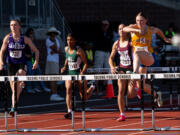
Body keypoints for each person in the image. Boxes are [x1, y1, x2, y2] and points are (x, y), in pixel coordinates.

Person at [123, 12, 171, 106]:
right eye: (137, 20)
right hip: (139, 62)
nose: (139, 22)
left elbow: (158, 30)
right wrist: (136, 31)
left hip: (148, 57)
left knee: (137, 52)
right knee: (141, 86)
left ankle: (134, 73)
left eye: (141, 20)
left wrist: (165, 39)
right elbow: (125, 28)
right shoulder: (134, 27)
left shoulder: (150, 29)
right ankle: (156, 95)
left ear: (146, 20)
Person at [0, 18, 39, 117]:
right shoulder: (7, 38)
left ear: (19, 26)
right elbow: (1, 51)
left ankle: (21, 83)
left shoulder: (25, 39)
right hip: (11, 64)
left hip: (21, 63)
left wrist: (36, 62)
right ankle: (14, 107)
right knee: (14, 89)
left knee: (20, 74)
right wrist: (1, 62)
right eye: (11, 25)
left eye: (15, 25)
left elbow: (36, 51)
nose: (13, 27)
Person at [61, 33, 95, 119]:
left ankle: (92, 88)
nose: (69, 42)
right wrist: (64, 67)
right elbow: (67, 58)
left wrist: (82, 72)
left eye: (71, 40)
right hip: (70, 73)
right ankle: (69, 111)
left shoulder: (79, 50)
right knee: (68, 89)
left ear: (75, 40)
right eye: (67, 40)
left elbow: (86, 63)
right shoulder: (66, 49)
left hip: (78, 73)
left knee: (84, 97)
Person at [109, 24, 136, 121]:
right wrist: (112, 67)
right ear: (118, 31)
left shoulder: (131, 43)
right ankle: (122, 114)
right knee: (120, 90)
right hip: (121, 68)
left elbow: (137, 55)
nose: (121, 30)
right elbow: (111, 58)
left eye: (123, 29)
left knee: (130, 95)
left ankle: (136, 89)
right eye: (119, 29)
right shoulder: (116, 43)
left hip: (131, 68)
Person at [25, 28, 50, 93]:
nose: (32, 35)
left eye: (33, 33)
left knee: (37, 72)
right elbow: (22, 50)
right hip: (28, 60)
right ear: (28, 34)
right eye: (31, 33)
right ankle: (29, 88)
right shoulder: (25, 41)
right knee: (30, 73)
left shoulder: (32, 41)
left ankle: (39, 87)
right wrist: (26, 55)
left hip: (33, 59)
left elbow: (35, 51)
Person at [93, 20, 113, 95]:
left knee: (108, 69)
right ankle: (95, 88)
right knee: (98, 69)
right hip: (99, 51)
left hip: (107, 52)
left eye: (106, 25)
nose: (105, 26)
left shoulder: (110, 33)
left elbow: (110, 43)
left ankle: (105, 87)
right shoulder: (97, 32)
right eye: (103, 24)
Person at [45, 27, 64, 101]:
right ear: (50, 34)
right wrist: (55, 50)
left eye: (54, 33)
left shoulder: (56, 40)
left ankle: (55, 93)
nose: (53, 34)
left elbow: (59, 51)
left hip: (56, 60)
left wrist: (56, 51)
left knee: (55, 78)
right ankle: (54, 94)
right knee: (53, 78)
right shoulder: (48, 40)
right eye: (52, 33)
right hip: (51, 60)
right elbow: (55, 48)